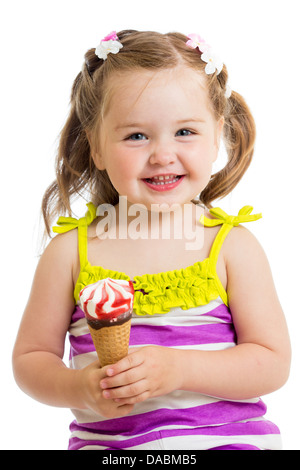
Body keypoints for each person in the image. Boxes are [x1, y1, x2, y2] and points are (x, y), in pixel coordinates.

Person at [12, 30, 291, 450]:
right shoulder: (70, 253)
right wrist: (78, 388)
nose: (162, 154)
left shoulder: (232, 247)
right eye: (136, 136)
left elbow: (272, 363)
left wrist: (179, 368)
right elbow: (30, 359)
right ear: (97, 148)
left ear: (217, 135)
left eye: (185, 132)